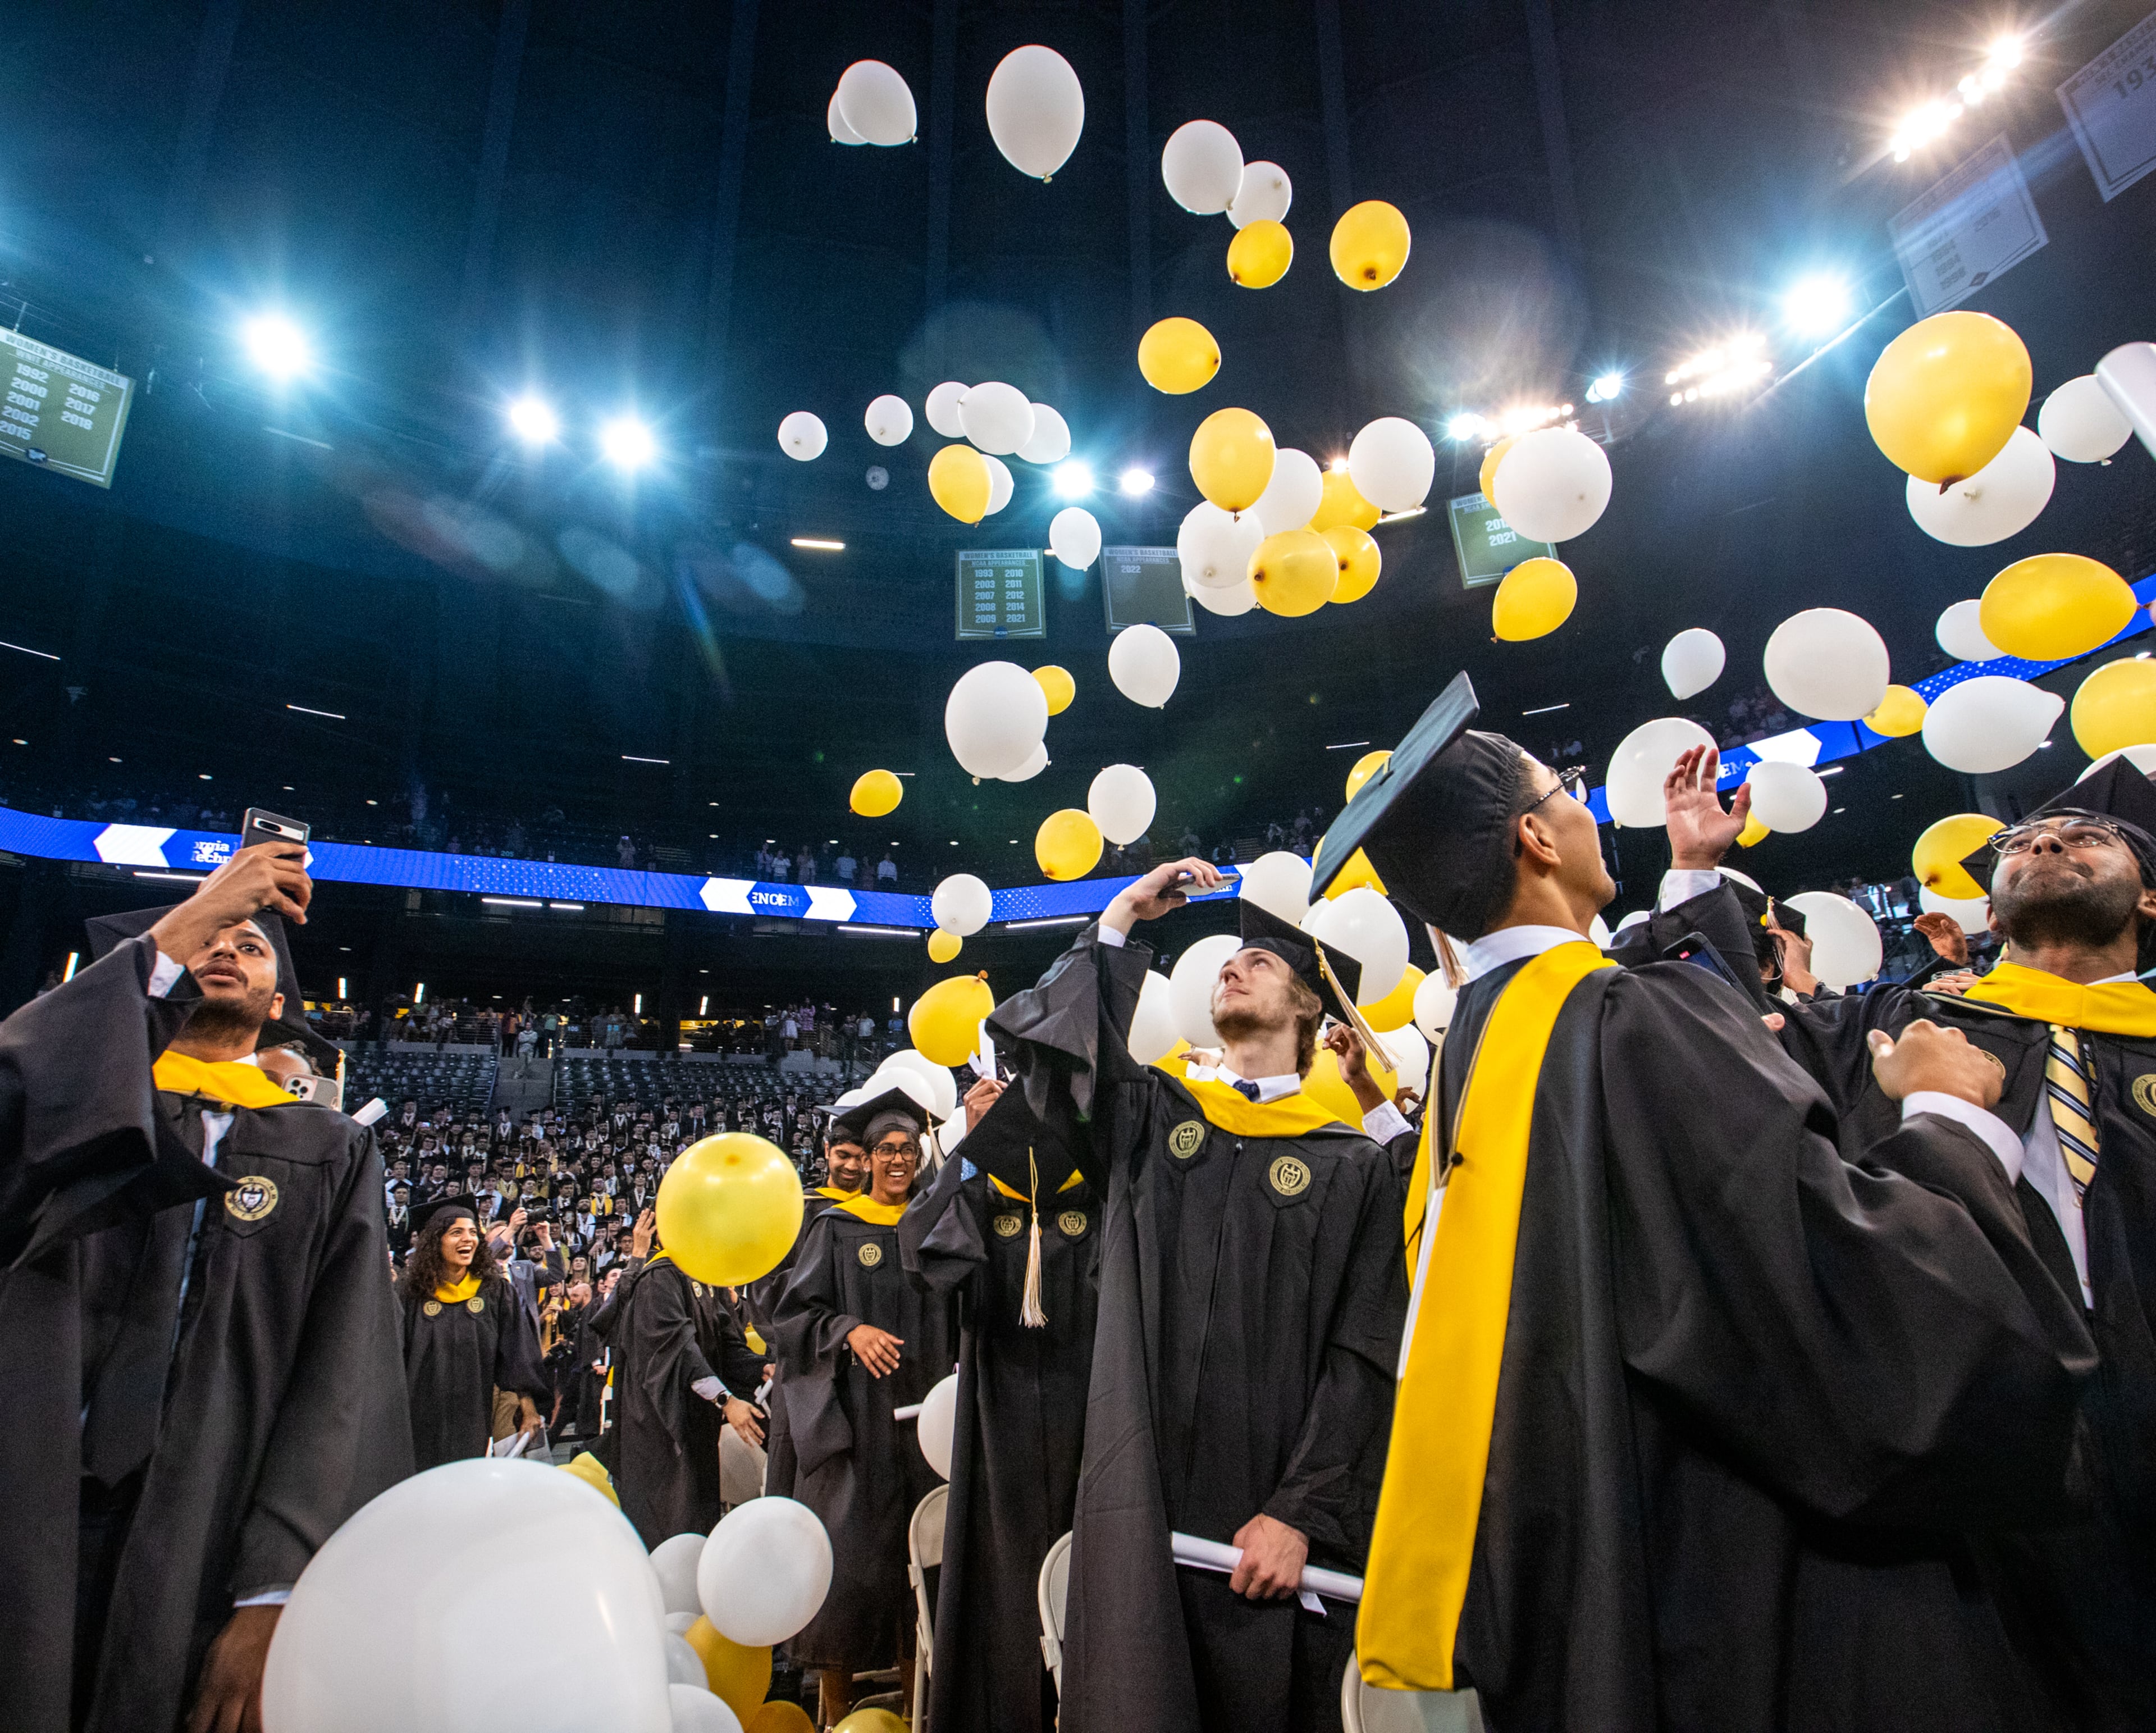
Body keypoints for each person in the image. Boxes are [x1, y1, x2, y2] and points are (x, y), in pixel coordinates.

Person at [1318, 672, 2094, 1732]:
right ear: (1538, 842)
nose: (1587, 808)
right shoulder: (1624, 1020)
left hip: (1609, 1585)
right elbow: (1846, 1306)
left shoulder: (1482, 1058)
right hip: (1758, 1593)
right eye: (1568, 791)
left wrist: (1692, 872)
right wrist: (1950, 1124)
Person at [1765, 756, 2156, 1727]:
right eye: (2020, 842)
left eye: (2084, 834)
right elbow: (1708, 1041)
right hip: (1995, 1447)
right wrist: (1692, 872)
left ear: (2150, 893)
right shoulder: (1895, 1026)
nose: (2046, 841)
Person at [984, 873, 1409, 1733]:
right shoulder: (1153, 1117)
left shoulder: (1351, 1168)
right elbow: (1068, 1058)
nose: (1231, 967)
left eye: (1258, 961)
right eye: (1228, 959)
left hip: (1269, 1538)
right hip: (1138, 1509)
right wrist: (1118, 920)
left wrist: (1299, 1514)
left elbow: (1364, 1356)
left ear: (1311, 1018)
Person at [0, 845, 410, 1733]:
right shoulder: (74, 1113)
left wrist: (276, 1590)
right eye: (211, 936)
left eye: (255, 944)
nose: (229, 945)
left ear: (280, 1005)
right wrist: (181, 923)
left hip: (205, 1532)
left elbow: (339, 1381)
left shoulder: (329, 1150)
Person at [900, 1073, 1101, 1733]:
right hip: (999, 1420)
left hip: (1094, 1413)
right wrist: (969, 1144)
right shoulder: (983, 1192)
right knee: (1001, 1587)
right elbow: (919, 1254)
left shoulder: (1102, 1188)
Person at [771, 1084, 956, 1726]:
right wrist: (848, 1328)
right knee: (847, 1579)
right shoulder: (836, 1228)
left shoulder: (935, 1226)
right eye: (885, 1149)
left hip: (924, 1430)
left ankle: (915, 1710)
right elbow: (792, 1315)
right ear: (867, 1158)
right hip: (855, 1424)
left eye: (908, 1148)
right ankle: (837, 1710)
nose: (898, 1159)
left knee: (920, 1578)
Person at [604, 1225, 769, 1547]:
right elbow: (678, 1352)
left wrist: (761, 1367)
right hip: (660, 1432)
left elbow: (725, 1345)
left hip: (695, 1426)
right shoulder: (659, 1278)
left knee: (698, 1521)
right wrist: (726, 1400)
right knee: (668, 1529)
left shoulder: (702, 1280)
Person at [396, 1194, 550, 1471]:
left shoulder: (494, 1292)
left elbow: (517, 1353)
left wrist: (528, 1408)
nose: (468, 1239)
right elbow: (389, 1356)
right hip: (417, 1414)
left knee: (465, 1477)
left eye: (472, 1233)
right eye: (456, 1233)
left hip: (473, 1413)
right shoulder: (409, 1294)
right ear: (435, 1241)